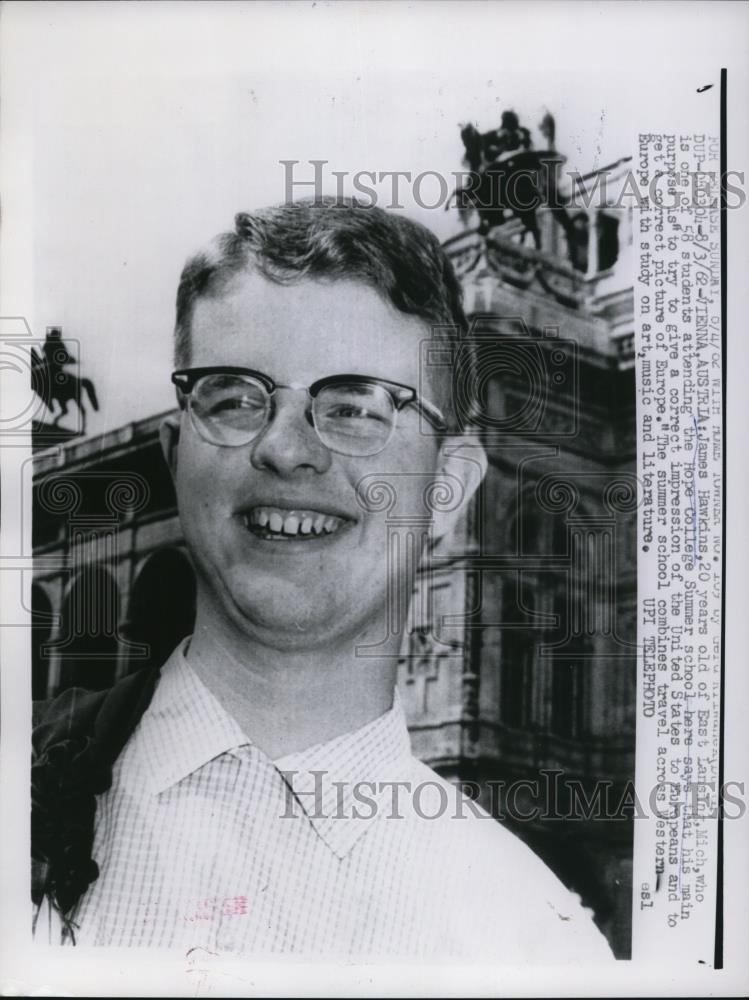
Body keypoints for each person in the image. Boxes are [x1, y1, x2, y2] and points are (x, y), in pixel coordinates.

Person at [32, 198, 613, 960]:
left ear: (447, 486)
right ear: (174, 456)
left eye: (355, 408)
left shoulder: (534, 941)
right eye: (236, 397)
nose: (285, 448)